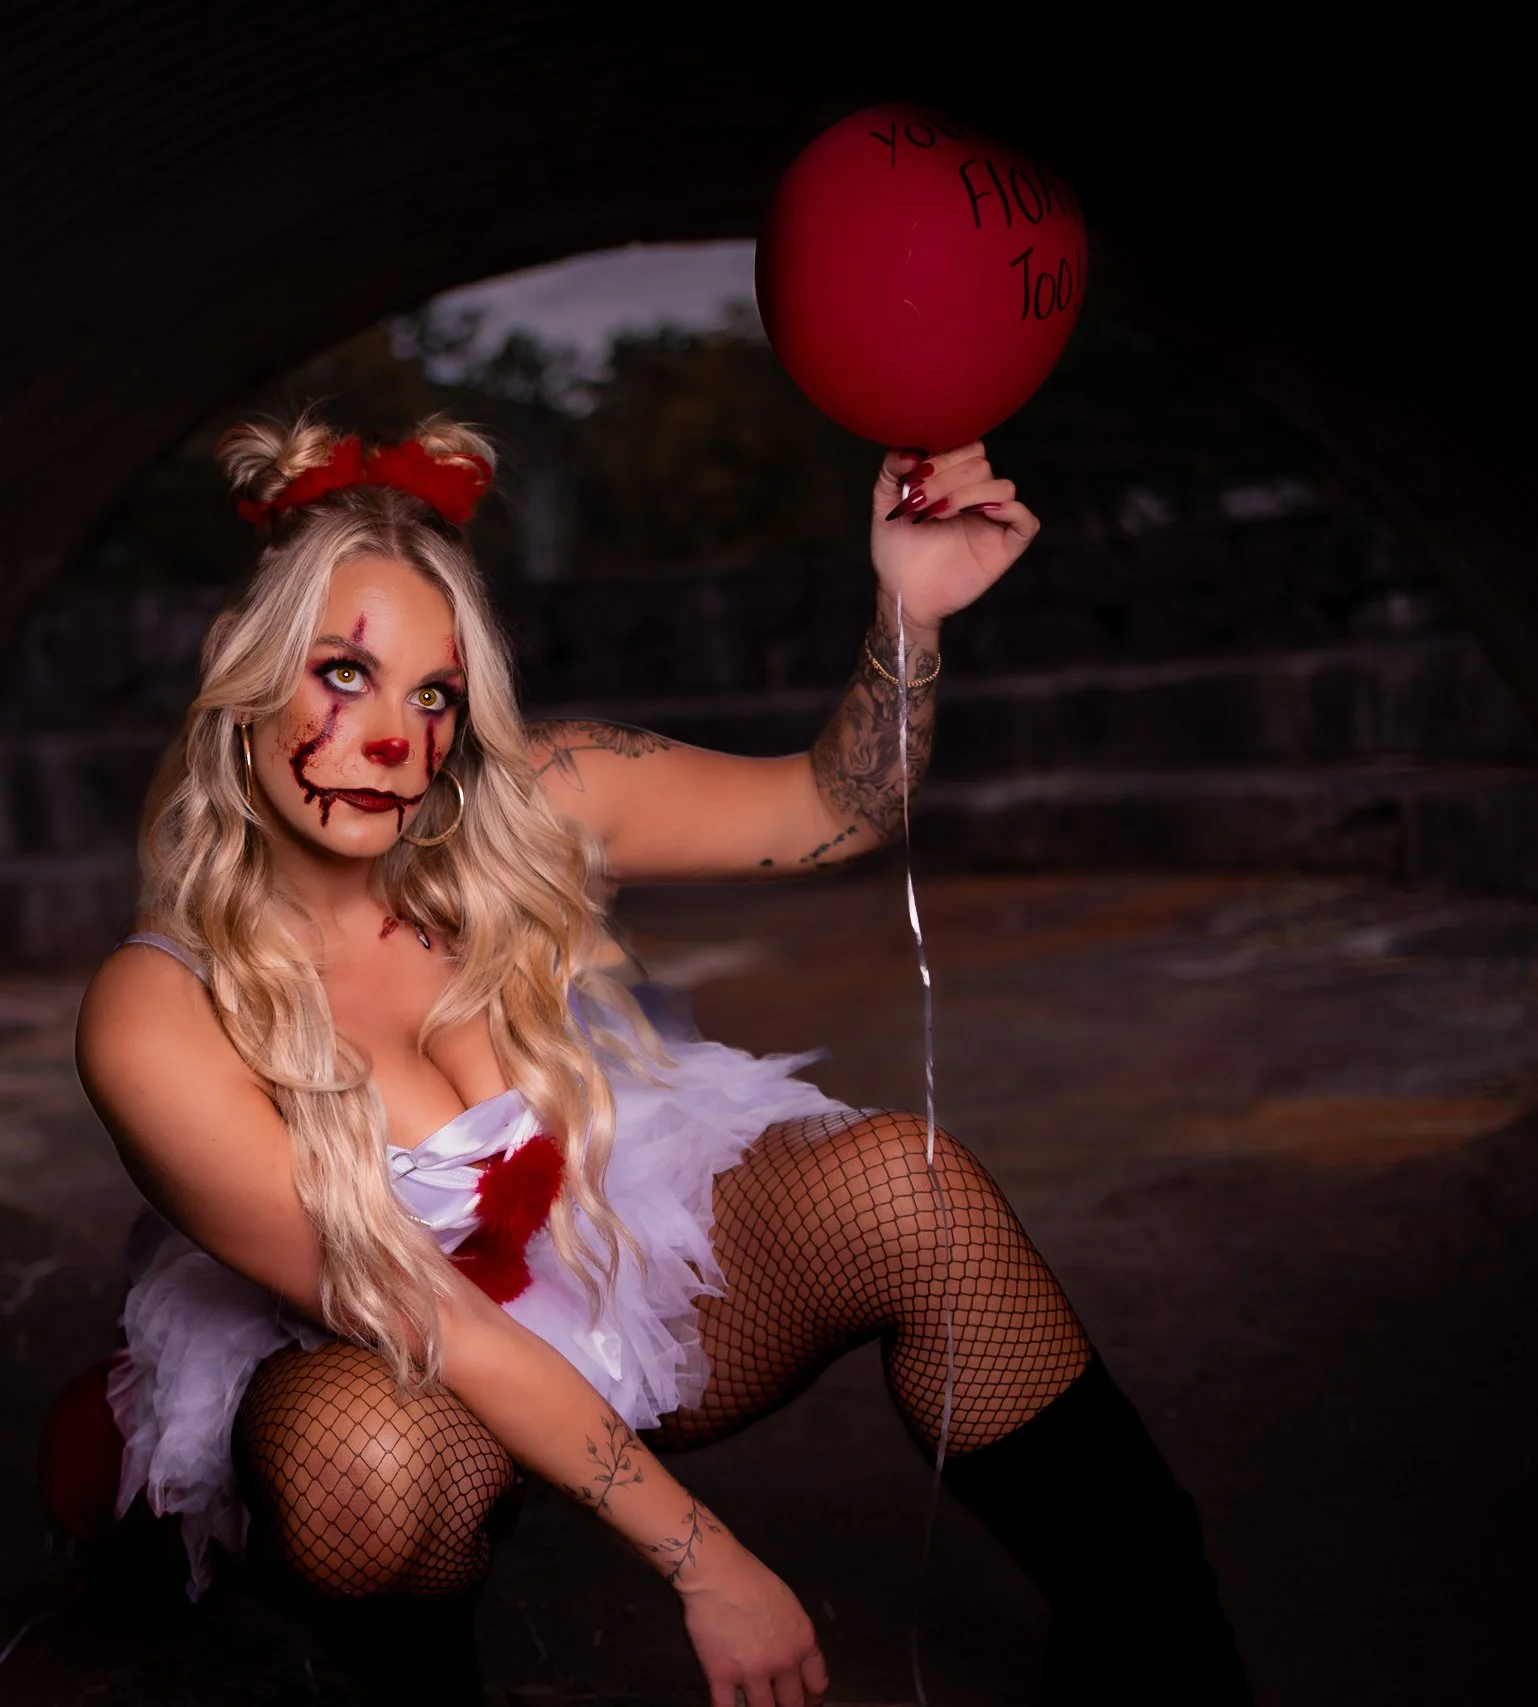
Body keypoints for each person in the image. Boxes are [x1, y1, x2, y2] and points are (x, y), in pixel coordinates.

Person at [76, 415, 1250, 1706]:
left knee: (911, 1193)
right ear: (236, 667)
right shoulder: (155, 1013)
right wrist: (706, 1559)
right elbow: (426, 1315)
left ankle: (1159, 1634)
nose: (391, 740)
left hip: (604, 1263)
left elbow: (838, 807)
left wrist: (908, 613)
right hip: (388, 1357)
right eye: (341, 672)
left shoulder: (531, 795)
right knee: (364, 1473)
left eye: (433, 693)